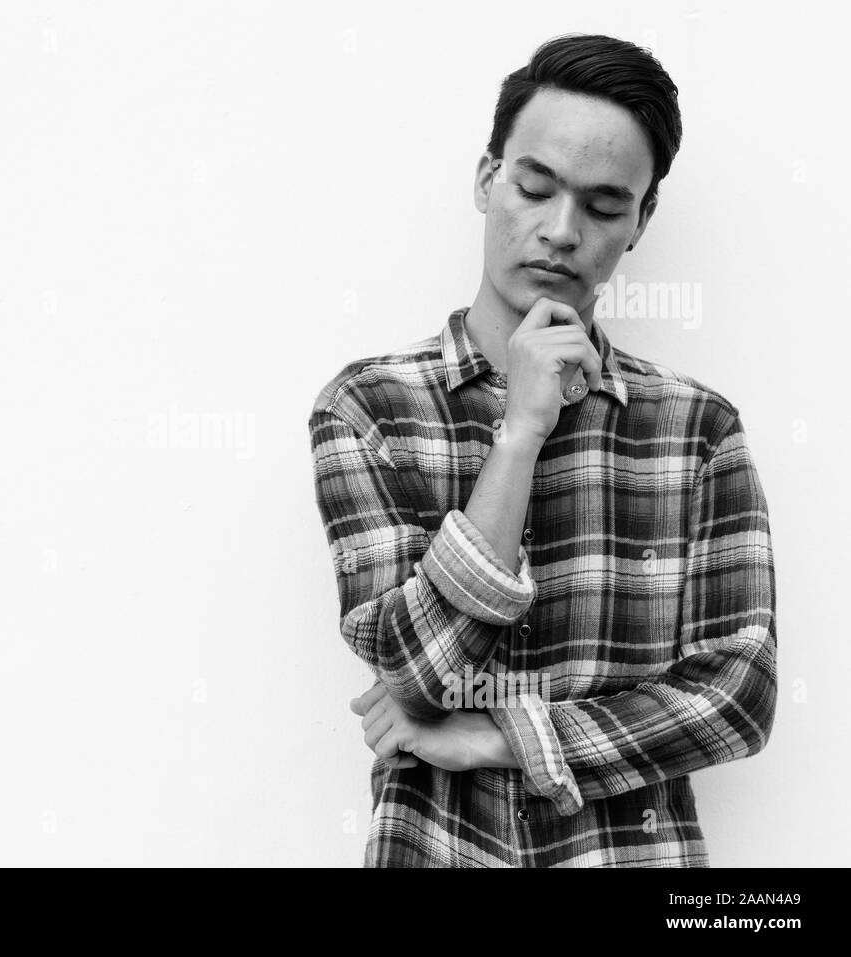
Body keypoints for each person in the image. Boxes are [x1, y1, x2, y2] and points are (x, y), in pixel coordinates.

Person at [307, 33, 777, 867]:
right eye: (534, 187)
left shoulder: (697, 429)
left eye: (602, 207)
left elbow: (738, 697)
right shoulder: (370, 407)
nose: (560, 232)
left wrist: (505, 737)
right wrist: (519, 433)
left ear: (640, 222)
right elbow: (415, 673)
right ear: (489, 181)